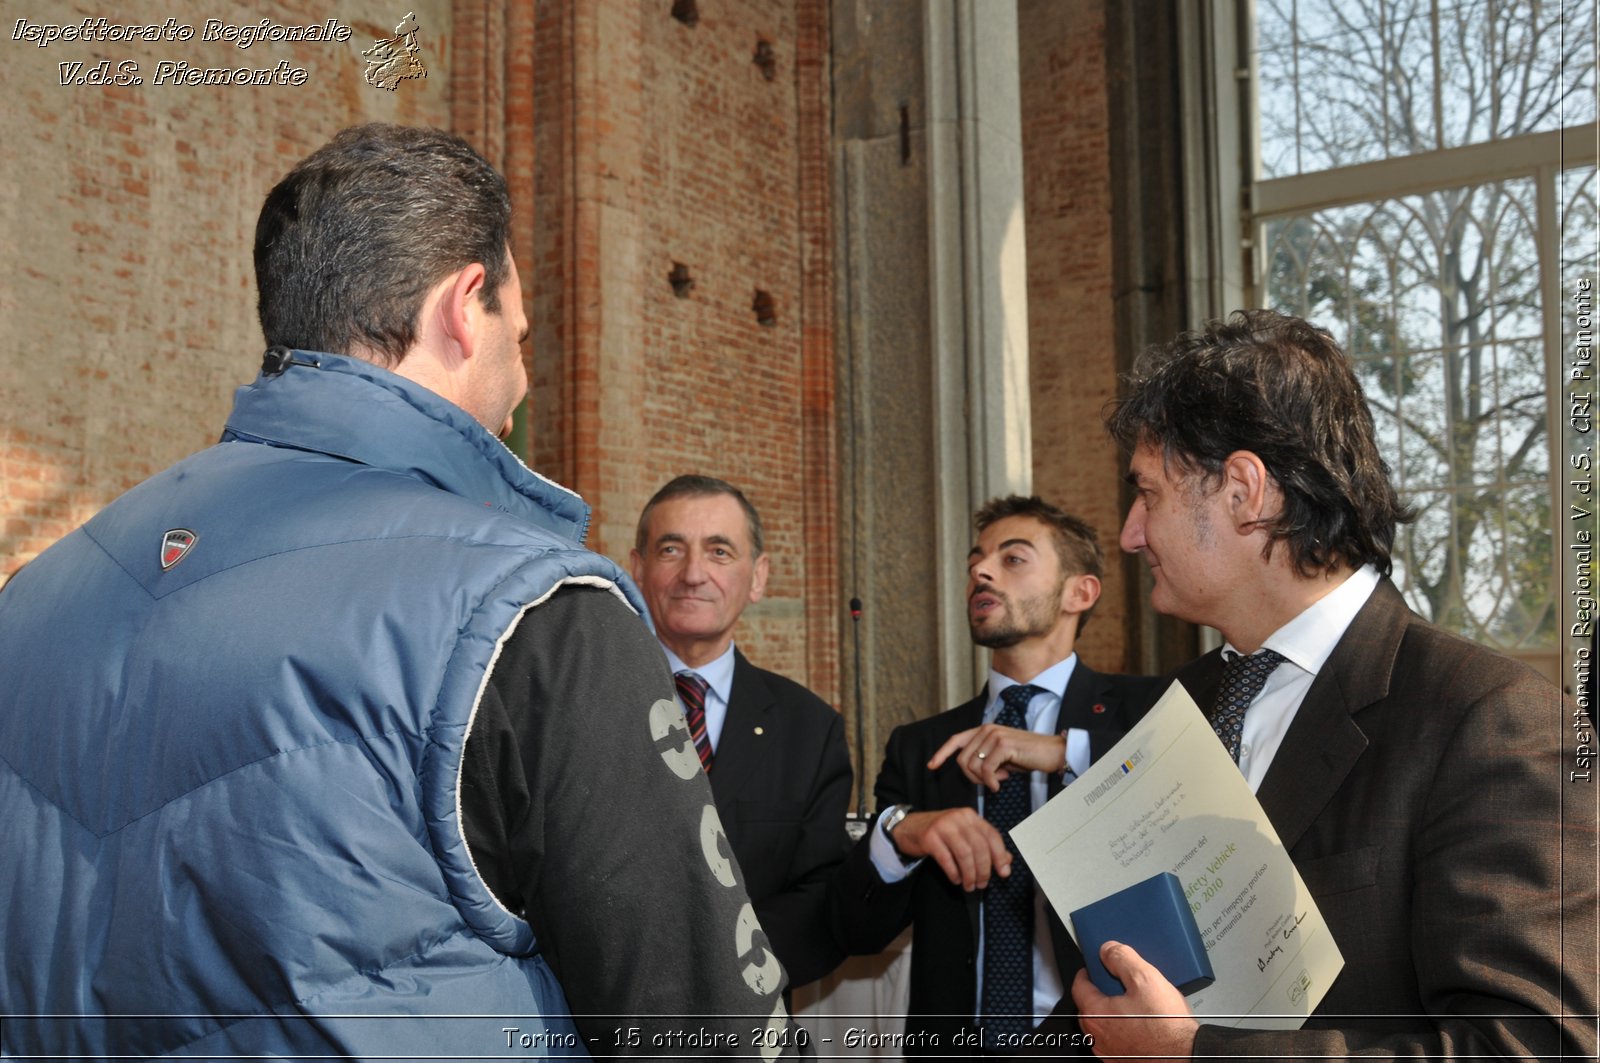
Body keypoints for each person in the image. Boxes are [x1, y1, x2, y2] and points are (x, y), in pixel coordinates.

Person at [0, 124, 798, 1059]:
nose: (524, 379)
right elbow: (701, 1026)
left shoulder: (34, 595)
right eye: (522, 335)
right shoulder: (535, 607)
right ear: (466, 307)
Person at [1076, 308, 1597, 1058]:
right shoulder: (1177, 704)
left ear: (1246, 492)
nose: (1129, 533)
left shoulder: (1493, 719)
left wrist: (1195, 1054)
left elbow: (1534, 1046)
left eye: (1148, 493)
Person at [832, 496, 1165, 1055]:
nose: (981, 572)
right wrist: (900, 835)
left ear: (1079, 593)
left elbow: (1179, 791)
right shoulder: (920, 747)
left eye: (1013, 559)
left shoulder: (1148, 711)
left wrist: (1065, 751)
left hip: (1104, 1044)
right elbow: (853, 931)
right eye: (975, 563)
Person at [631, 475, 853, 991]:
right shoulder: (580, 705)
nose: (693, 574)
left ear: (757, 577)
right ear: (638, 570)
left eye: (719, 552)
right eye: (670, 549)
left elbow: (819, 894)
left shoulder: (809, 730)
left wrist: (716, 971)